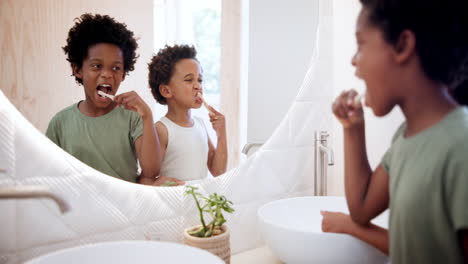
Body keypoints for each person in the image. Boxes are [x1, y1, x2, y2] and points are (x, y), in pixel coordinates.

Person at [331, 0, 468, 263]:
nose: (353, 60)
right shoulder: (406, 137)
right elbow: (361, 209)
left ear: (403, 45)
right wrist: (353, 129)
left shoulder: (461, 146)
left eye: (361, 44)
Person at [46, 13, 173, 186]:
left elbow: (151, 171)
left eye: (116, 68)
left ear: (123, 74)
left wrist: (147, 116)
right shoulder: (60, 123)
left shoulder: (132, 117)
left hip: (124, 207)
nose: (107, 74)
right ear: (78, 70)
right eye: (97, 66)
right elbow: (50, 175)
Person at [148, 44, 227, 183]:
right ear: (166, 91)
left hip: (200, 201)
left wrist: (221, 134)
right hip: (175, 201)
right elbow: (151, 177)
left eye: (200, 80)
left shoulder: (200, 125)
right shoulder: (162, 130)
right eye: (189, 80)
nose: (198, 86)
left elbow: (218, 171)